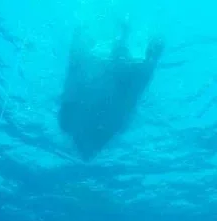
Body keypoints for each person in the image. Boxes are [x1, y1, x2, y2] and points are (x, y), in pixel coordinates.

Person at [58, 21, 164, 161]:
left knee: (126, 61)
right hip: (115, 82)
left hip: (108, 81)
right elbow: (133, 95)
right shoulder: (71, 123)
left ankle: (123, 35)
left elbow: (73, 76)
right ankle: (127, 35)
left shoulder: (68, 123)